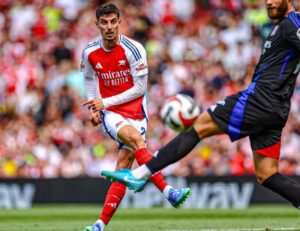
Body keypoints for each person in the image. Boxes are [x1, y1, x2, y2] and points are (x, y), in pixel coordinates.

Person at [102, 0, 300, 209]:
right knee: (267, 173)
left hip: (260, 99)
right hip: (275, 108)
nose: (269, 2)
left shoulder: (292, 23)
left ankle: (141, 173)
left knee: (199, 126)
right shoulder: (283, 25)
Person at [81, 3, 191, 231]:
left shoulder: (135, 49)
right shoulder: (90, 52)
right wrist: (95, 107)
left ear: (120, 22)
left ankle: (100, 224)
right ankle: (169, 192)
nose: (109, 27)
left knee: (123, 166)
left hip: (137, 112)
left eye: (113, 22)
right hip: (111, 113)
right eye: (104, 22)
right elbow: (90, 79)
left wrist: (104, 101)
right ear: (97, 25)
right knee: (136, 141)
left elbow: (140, 89)